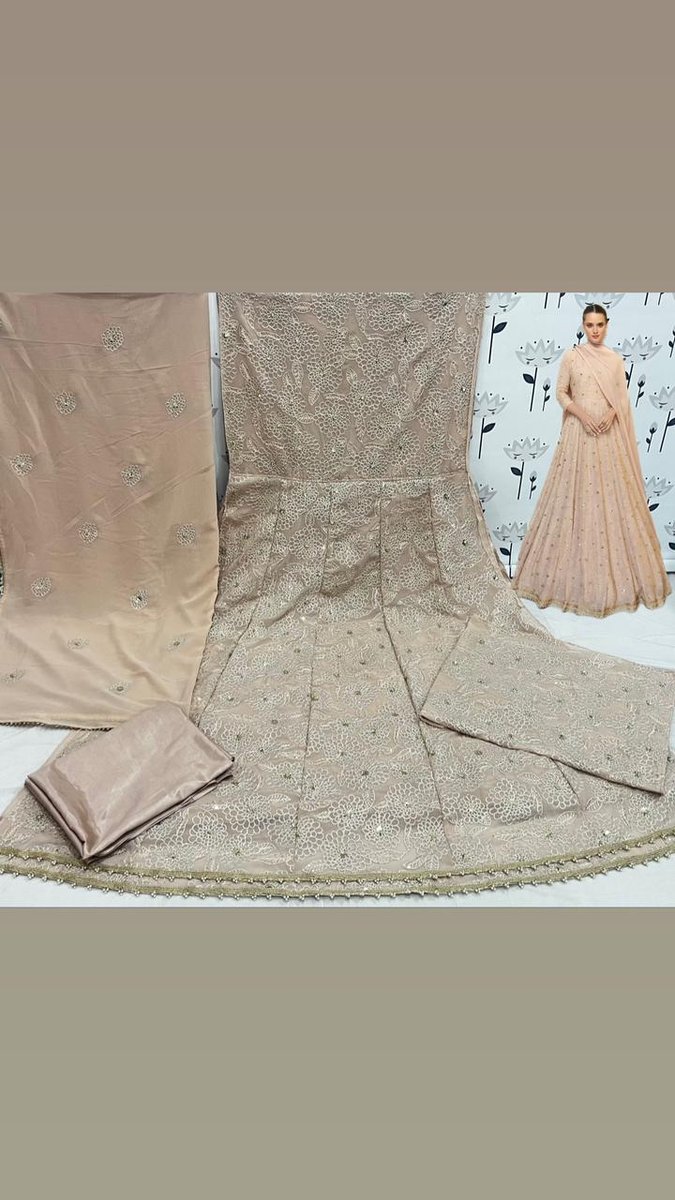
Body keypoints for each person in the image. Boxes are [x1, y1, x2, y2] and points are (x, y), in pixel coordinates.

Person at [512, 303, 671, 617]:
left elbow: (621, 398)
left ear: (607, 325)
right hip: (578, 434)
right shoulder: (573, 356)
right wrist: (583, 416)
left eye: (600, 325)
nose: (595, 331)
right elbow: (561, 393)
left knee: (612, 499)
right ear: (583, 326)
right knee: (574, 497)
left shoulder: (614, 360)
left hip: (609, 435)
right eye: (589, 325)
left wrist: (611, 414)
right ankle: (568, 580)